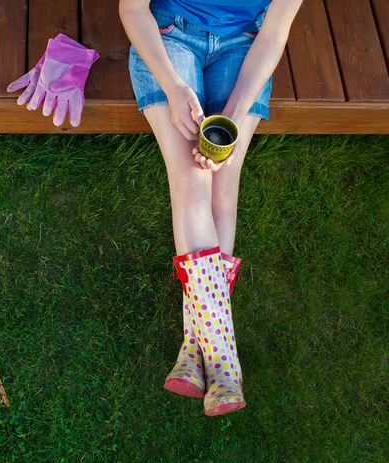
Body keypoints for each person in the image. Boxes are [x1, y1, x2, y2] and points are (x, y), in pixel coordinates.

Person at [119, 0, 303, 416]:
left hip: (244, 46)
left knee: (223, 185)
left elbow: (273, 34)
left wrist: (234, 117)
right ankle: (223, 363)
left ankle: (193, 346)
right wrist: (173, 87)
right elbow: (131, 9)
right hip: (169, 40)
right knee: (192, 181)